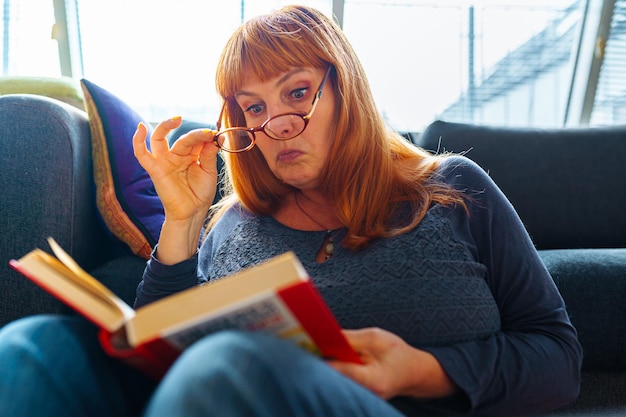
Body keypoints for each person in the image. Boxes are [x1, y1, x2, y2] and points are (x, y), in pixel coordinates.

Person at [0, 5, 581, 417]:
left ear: (345, 90)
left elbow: (559, 358)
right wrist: (182, 222)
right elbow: (158, 357)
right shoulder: (231, 225)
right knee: (30, 348)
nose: (275, 127)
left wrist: (418, 370)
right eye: (252, 107)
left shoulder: (455, 192)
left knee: (232, 363)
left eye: (297, 93)